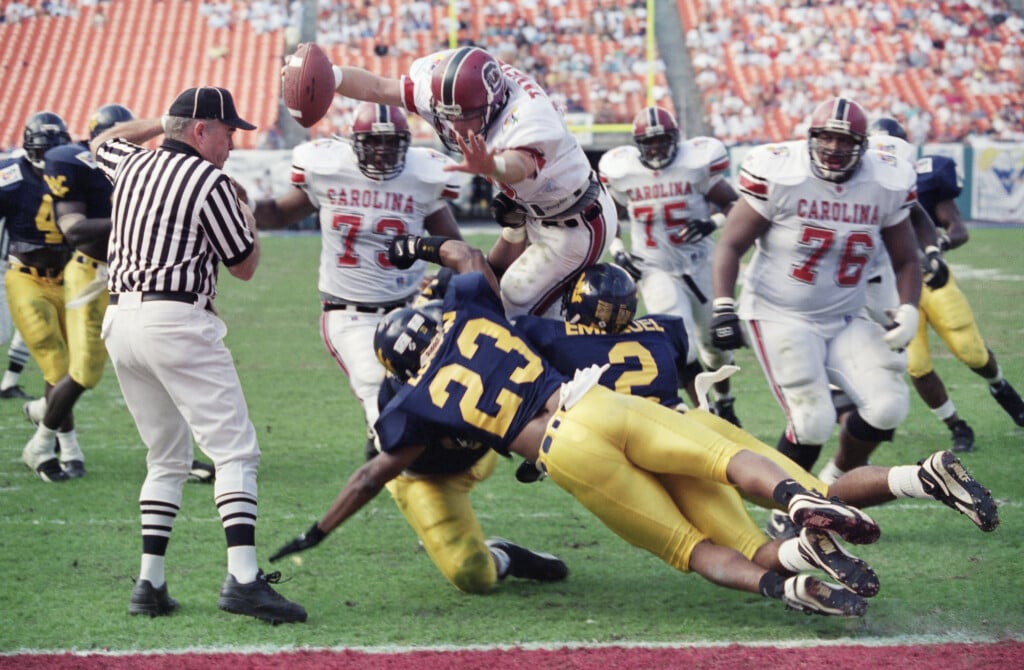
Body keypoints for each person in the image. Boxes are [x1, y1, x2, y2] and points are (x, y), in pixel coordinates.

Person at [324, 234, 916, 617]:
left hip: (567, 442)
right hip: (632, 412)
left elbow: (393, 454)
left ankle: (785, 584)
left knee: (697, 546)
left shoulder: (527, 342)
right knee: (738, 466)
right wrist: (721, 403)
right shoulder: (659, 332)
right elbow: (475, 267)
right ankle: (824, 499)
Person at [518, 263, 998, 542]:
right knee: (815, 490)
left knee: (737, 547)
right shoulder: (659, 330)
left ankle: (796, 576)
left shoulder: (548, 334)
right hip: (695, 421)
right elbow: (682, 372)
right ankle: (919, 476)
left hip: (652, 447)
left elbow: (539, 395)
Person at [90, 87, 305, 624]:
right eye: (227, 130)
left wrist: (160, 123)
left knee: (166, 458)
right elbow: (245, 266)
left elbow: (102, 142)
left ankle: (150, 584)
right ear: (201, 129)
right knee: (235, 453)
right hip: (177, 320)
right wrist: (247, 215)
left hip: (120, 321)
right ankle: (245, 578)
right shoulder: (210, 183)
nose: (233, 141)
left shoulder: (133, 164)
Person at [270, 302, 570, 594]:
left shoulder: (466, 335)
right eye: (426, 364)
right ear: (407, 379)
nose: (439, 365)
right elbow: (368, 479)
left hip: (480, 452)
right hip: (432, 478)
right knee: (473, 574)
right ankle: (503, 557)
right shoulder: (412, 411)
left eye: (438, 349)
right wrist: (317, 532)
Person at [711, 97, 923, 498]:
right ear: (810, 137)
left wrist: (910, 307)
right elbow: (730, 245)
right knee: (812, 420)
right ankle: (783, 509)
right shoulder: (781, 173)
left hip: (846, 313)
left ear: (864, 144)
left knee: (888, 406)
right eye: (825, 137)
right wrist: (723, 305)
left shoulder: (885, 180)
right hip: (779, 312)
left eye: (845, 141)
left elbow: (906, 256)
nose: (834, 148)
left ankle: (829, 488)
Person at [317, 44, 617, 318]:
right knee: (490, 284)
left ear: (493, 103)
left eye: (466, 116)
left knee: (511, 308)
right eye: (447, 115)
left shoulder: (529, 115)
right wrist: (332, 75)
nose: (454, 125)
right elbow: (378, 88)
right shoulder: (441, 89)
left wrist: (493, 165)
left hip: (576, 222)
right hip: (534, 212)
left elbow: (521, 165)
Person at [252, 101, 465, 461]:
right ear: (354, 142)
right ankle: (398, 459)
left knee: (433, 386)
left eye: (391, 142)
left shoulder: (422, 176)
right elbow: (278, 214)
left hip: (410, 307)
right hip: (349, 311)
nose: (382, 152)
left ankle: (398, 446)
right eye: (373, 142)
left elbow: (453, 248)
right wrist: (240, 205)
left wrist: (440, 275)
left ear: (406, 143)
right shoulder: (330, 170)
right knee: (374, 384)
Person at [869, 117, 1024, 450]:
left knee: (971, 352)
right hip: (889, 288)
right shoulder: (856, 187)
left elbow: (957, 228)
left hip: (928, 277)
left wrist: (937, 249)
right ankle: (957, 426)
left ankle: (1001, 388)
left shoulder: (925, 177)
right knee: (917, 365)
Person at [598, 106, 741, 425]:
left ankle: (725, 400)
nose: (657, 147)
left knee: (713, 347)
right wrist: (618, 250)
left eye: (663, 140)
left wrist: (711, 222)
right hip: (654, 267)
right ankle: (709, 413)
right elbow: (607, 214)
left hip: (700, 262)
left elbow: (735, 204)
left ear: (676, 139)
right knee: (681, 344)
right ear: (638, 145)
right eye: (650, 142)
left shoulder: (695, 166)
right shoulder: (623, 173)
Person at [2, 111, 74, 482]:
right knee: (55, 360)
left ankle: (49, 420)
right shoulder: (10, 176)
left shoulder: (75, 165)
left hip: (71, 277)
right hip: (25, 276)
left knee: (78, 367)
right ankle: (55, 445)